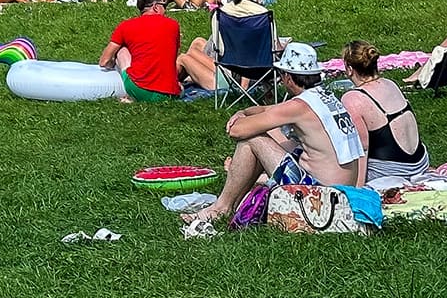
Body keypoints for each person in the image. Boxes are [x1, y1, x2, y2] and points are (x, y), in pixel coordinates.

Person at [181, 44, 367, 237]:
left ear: (287, 76)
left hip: (320, 195)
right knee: (277, 136)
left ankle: (221, 208)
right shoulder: (323, 97)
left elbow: (237, 131)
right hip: (343, 191)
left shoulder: (299, 106)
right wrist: (243, 111)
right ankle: (229, 203)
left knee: (252, 139)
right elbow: (268, 110)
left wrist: (241, 120)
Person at [339, 40, 431, 182]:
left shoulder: (352, 99)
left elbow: (361, 149)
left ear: (350, 69)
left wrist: (358, 189)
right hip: (420, 163)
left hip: (391, 173)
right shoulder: (390, 84)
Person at [177, 0, 278, 92]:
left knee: (184, 57)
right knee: (197, 42)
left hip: (230, 74)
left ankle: (171, 86)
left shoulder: (221, 14)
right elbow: (275, 47)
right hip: (261, 69)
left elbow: (219, 49)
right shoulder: (263, 14)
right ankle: (191, 75)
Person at [97, 0, 181, 103]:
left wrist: (113, 63)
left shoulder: (125, 26)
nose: (165, 9)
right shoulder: (173, 25)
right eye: (164, 5)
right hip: (169, 94)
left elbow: (103, 61)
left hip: (140, 89)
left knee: (122, 50)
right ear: (156, 7)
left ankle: (130, 94)